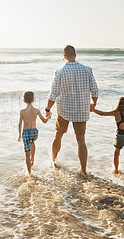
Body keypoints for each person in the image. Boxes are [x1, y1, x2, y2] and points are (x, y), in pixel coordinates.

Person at [45, 45, 99, 175]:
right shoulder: (87, 70)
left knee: (58, 135)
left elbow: (53, 94)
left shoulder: (60, 72)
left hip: (64, 109)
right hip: (81, 110)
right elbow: (95, 91)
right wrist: (94, 104)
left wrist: (47, 109)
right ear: (75, 55)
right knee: (81, 140)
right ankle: (84, 170)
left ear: (64, 56)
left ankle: (53, 162)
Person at [18, 91, 52, 175]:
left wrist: (19, 135)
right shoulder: (36, 110)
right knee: (32, 142)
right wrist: (49, 116)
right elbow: (44, 121)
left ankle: (29, 173)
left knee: (27, 153)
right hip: (34, 132)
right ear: (33, 100)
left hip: (26, 133)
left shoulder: (22, 111)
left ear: (23, 100)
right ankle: (32, 159)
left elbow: (20, 124)